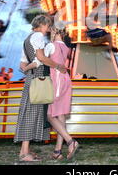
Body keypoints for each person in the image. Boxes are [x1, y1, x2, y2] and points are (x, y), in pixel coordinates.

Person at [14, 14, 72, 162]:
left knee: (30, 112)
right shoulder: (38, 36)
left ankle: (24, 150)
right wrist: (58, 66)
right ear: (42, 24)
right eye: (47, 26)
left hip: (31, 78)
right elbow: (41, 58)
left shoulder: (27, 39)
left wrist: (29, 69)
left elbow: (22, 65)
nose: (47, 30)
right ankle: (24, 153)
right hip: (39, 78)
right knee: (32, 114)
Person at [46, 27, 74, 160]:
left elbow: (41, 61)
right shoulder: (66, 48)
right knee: (61, 114)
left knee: (50, 114)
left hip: (56, 80)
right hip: (65, 79)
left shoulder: (51, 46)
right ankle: (58, 151)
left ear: (54, 33)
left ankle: (70, 141)